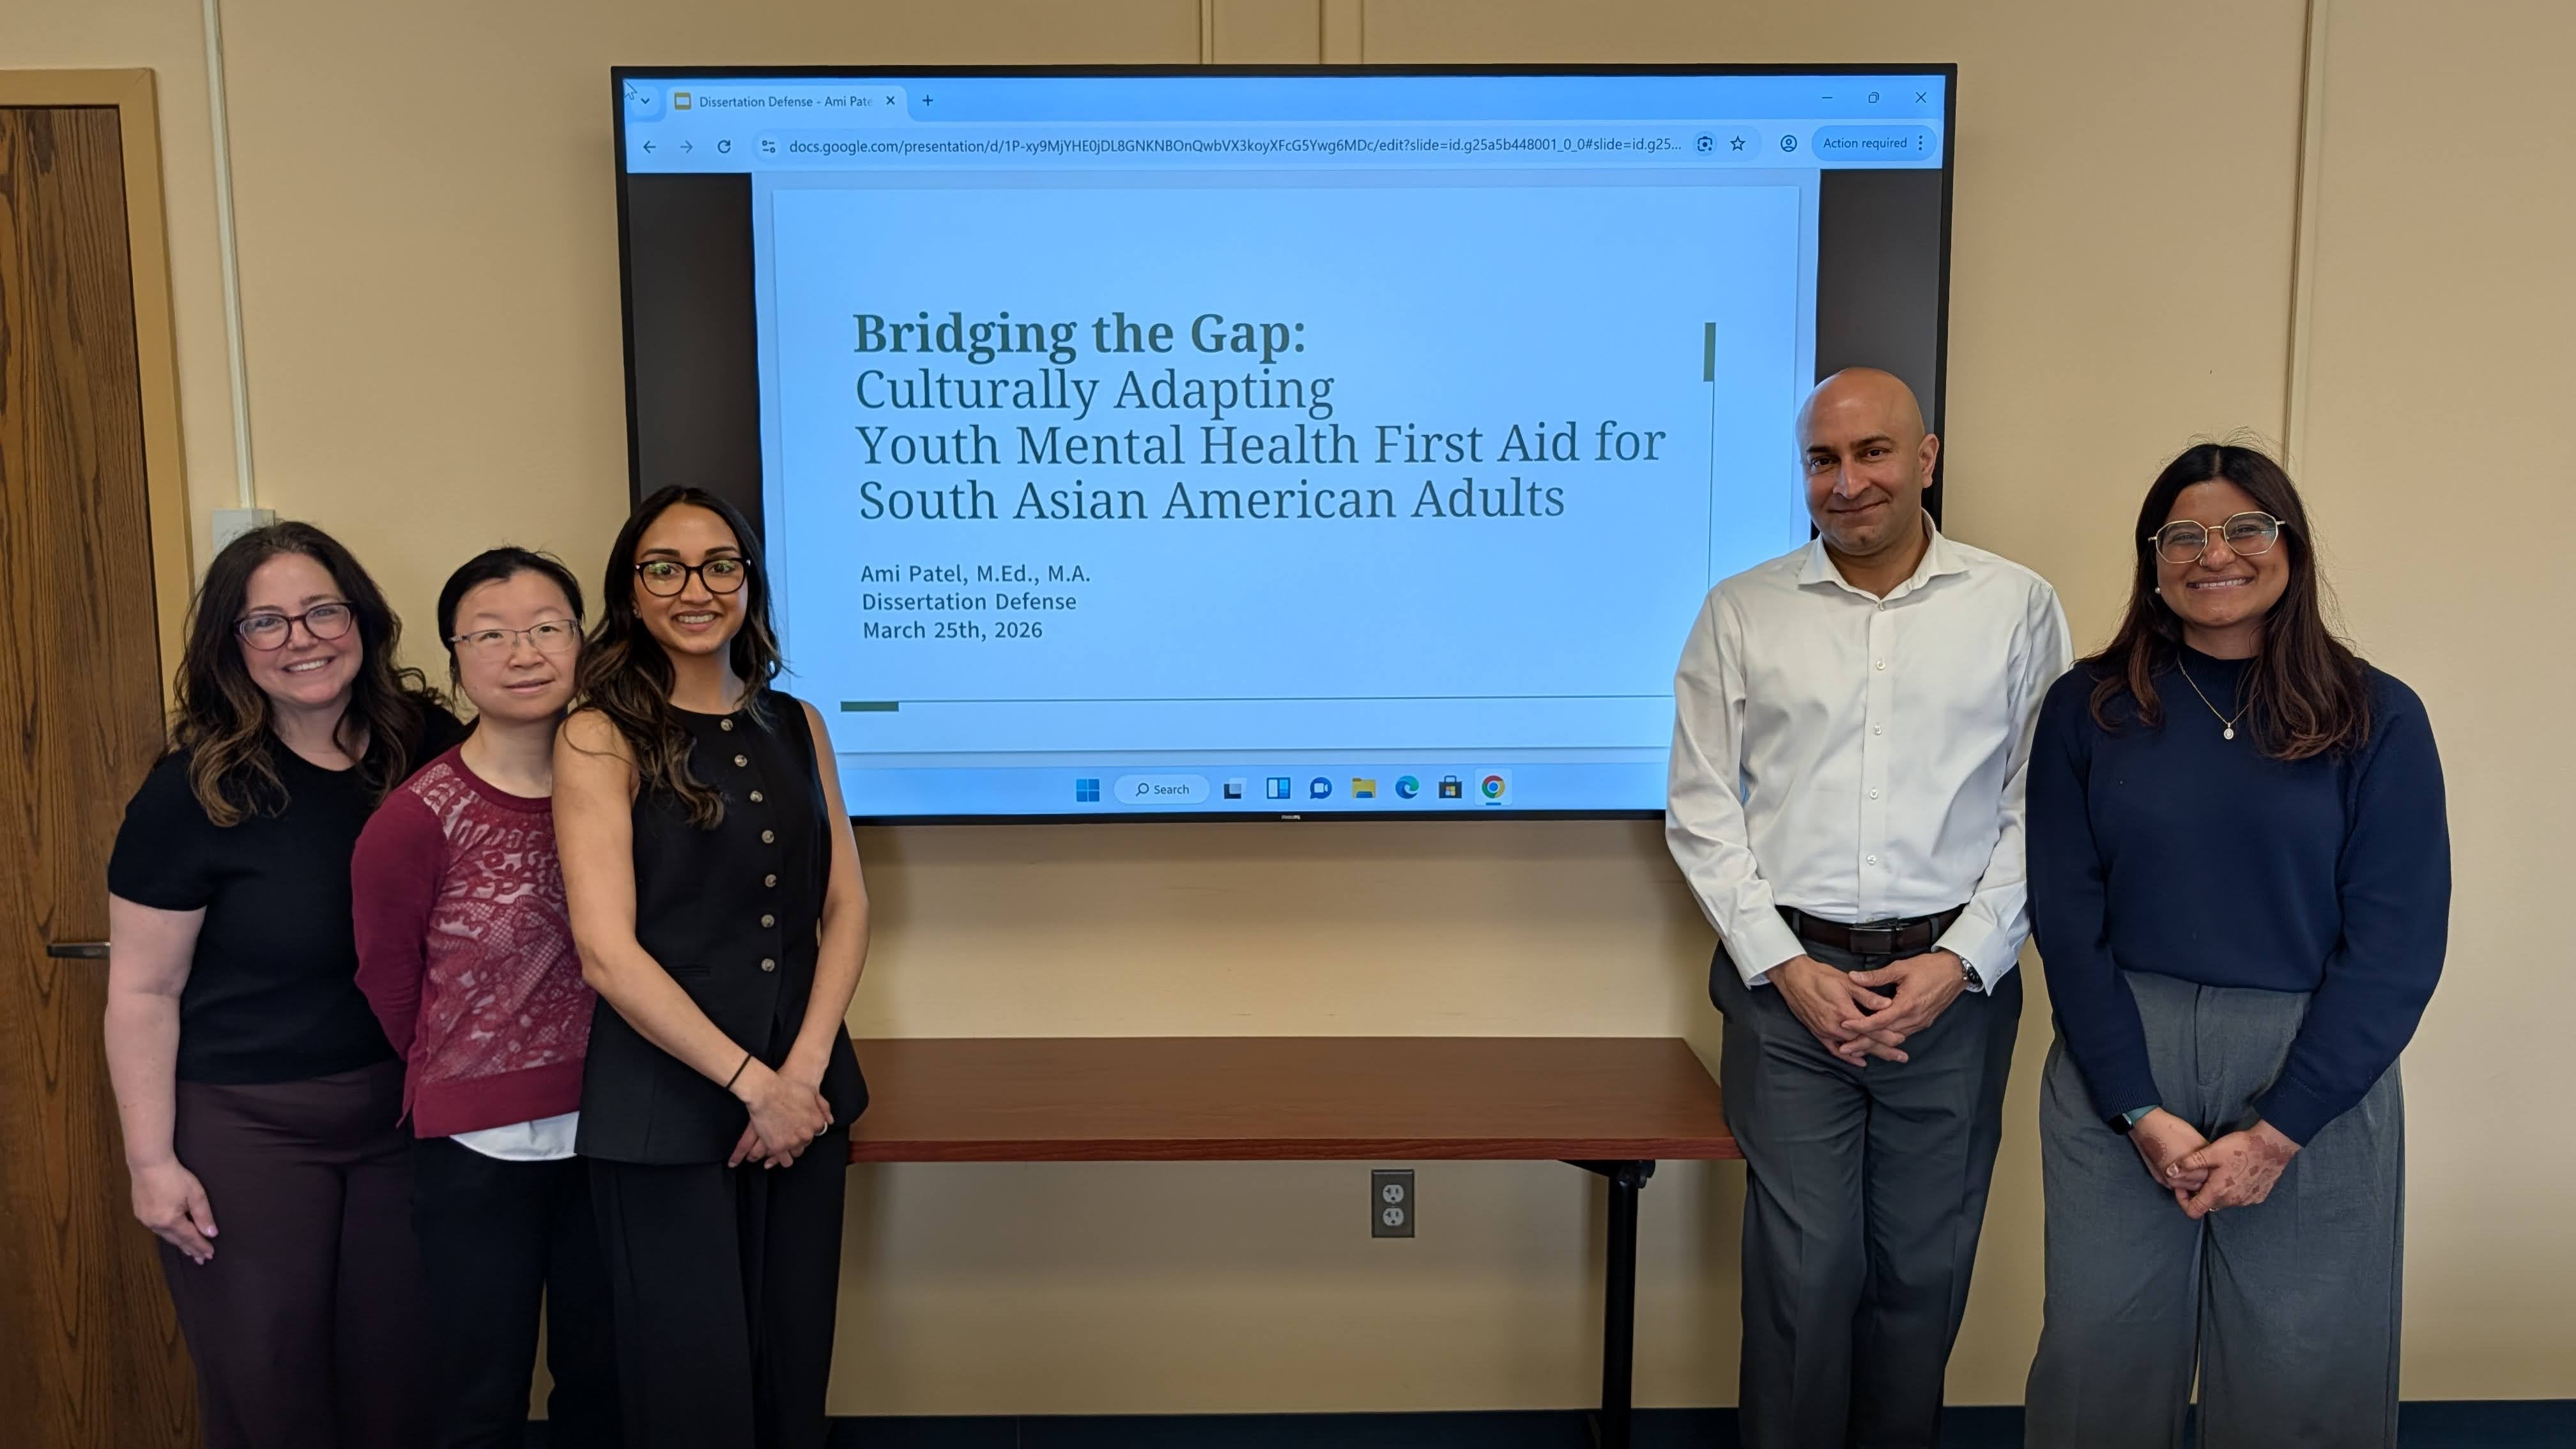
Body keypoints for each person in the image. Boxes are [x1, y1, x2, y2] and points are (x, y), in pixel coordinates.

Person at [1666, 368, 2069, 1448]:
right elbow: (1703, 811)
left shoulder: (2016, 605)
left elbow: (2045, 807)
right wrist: (1786, 968)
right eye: (1822, 460)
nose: (1848, 483)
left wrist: (1963, 960)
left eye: (1874, 454)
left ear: (1926, 458)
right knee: (1803, 1277)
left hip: (1954, 995)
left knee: (1921, 1276)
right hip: (1789, 997)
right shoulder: (1741, 610)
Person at [2022, 443, 2448, 1448]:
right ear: (2153, 559)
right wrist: (2137, 1107)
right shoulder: (2089, 710)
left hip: (2312, 1075)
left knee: (2302, 1373)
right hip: (2122, 1059)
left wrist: (2280, 1130)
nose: (2215, 554)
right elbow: (2067, 920)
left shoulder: (2376, 716)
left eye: (2245, 528)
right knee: (2100, 1364)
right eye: (2185, 535)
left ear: (2288, 547)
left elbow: (2395, 946)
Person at [102, 521, 464, 1449]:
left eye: (321, 611)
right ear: (232, 648)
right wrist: (151, 1163)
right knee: (272, 1394)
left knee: (404, 1386)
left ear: (363, 620)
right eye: (267, 623)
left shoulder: (429, 748)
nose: (302, 639)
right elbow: (143, 991)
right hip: (246, 1131)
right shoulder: (192, 792)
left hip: (405, 1121)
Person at [555, 485, 870, 1449]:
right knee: (692, 1397)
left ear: (749, 582)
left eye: (720, 564)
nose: (696, 588)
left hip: (805, 1105)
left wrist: (801, 1078)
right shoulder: (597, 733)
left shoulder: (798, 722)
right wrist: (752, 1087)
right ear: (632, 590)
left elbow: (847, 905)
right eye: (665, 568)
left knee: (790, 1380)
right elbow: (608, 956)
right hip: (667, 1110)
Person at [351, 548, 618, 1449]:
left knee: (607, 1384)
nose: (524, 652)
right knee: (480, 1397)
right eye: (491, 635)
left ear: (585, 643)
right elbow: (389, 982)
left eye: (548, 628)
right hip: (475, 1150)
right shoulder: (415, 819)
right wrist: (476, 1069)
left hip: (619, 1130)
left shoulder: (635, 789)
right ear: (456, 658)